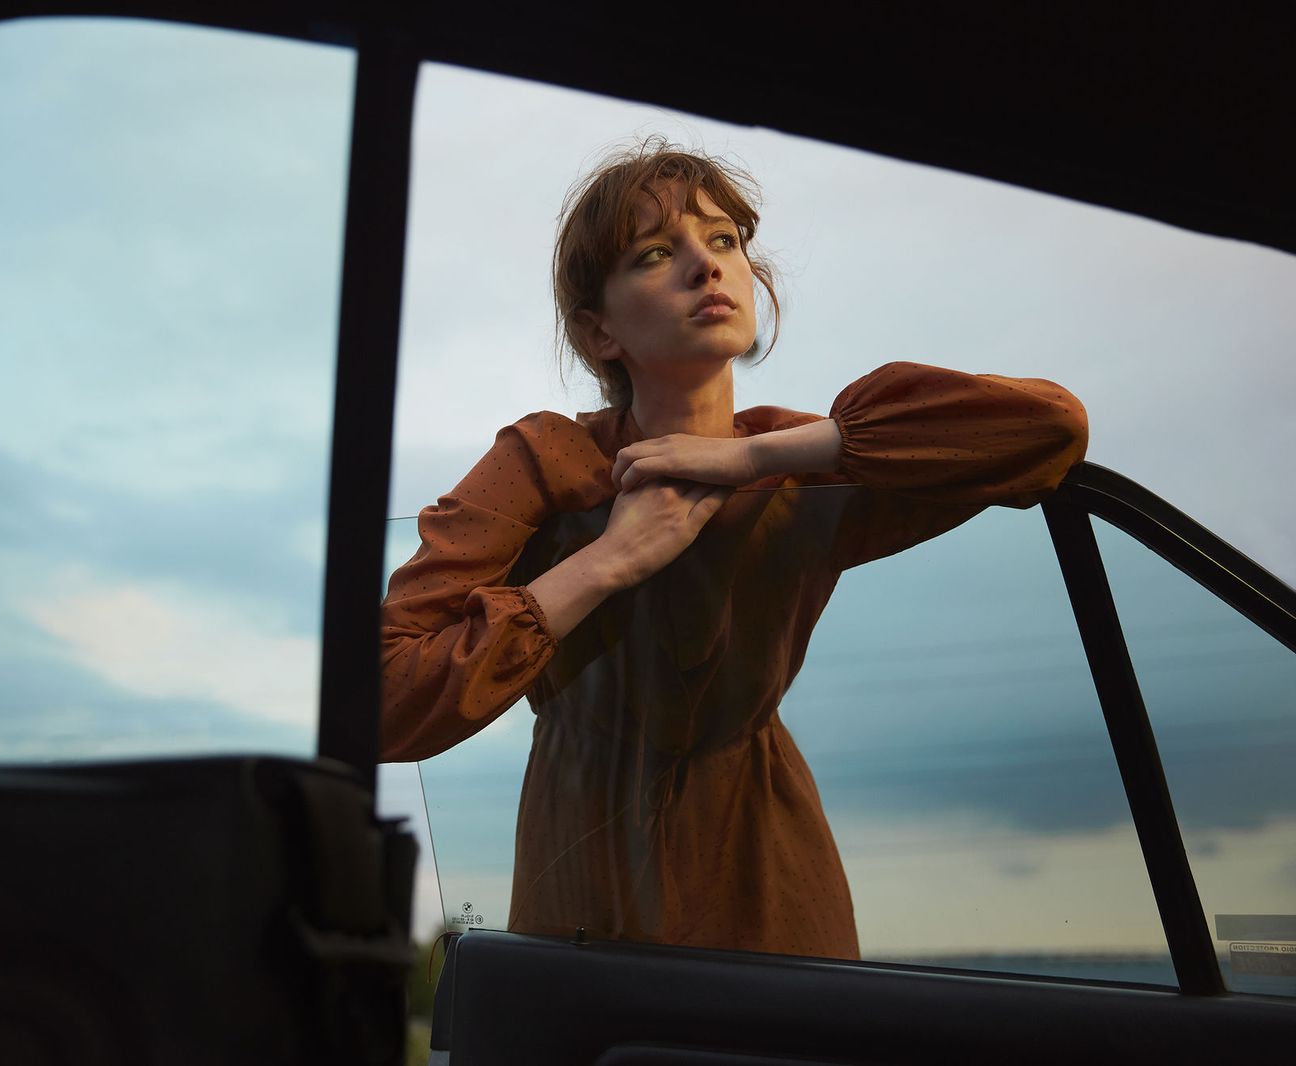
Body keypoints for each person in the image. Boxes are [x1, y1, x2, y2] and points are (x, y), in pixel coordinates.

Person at [378, 141, 1088, 960]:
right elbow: (388, 698)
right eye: (655, 253)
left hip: (770, 871)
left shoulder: (804, 462)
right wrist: (604, 564)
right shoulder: (543, 464)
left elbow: (1050, 427)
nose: (705, 267)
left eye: (724, 242)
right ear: (597, 329)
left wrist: (754, 457)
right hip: (586, 878)